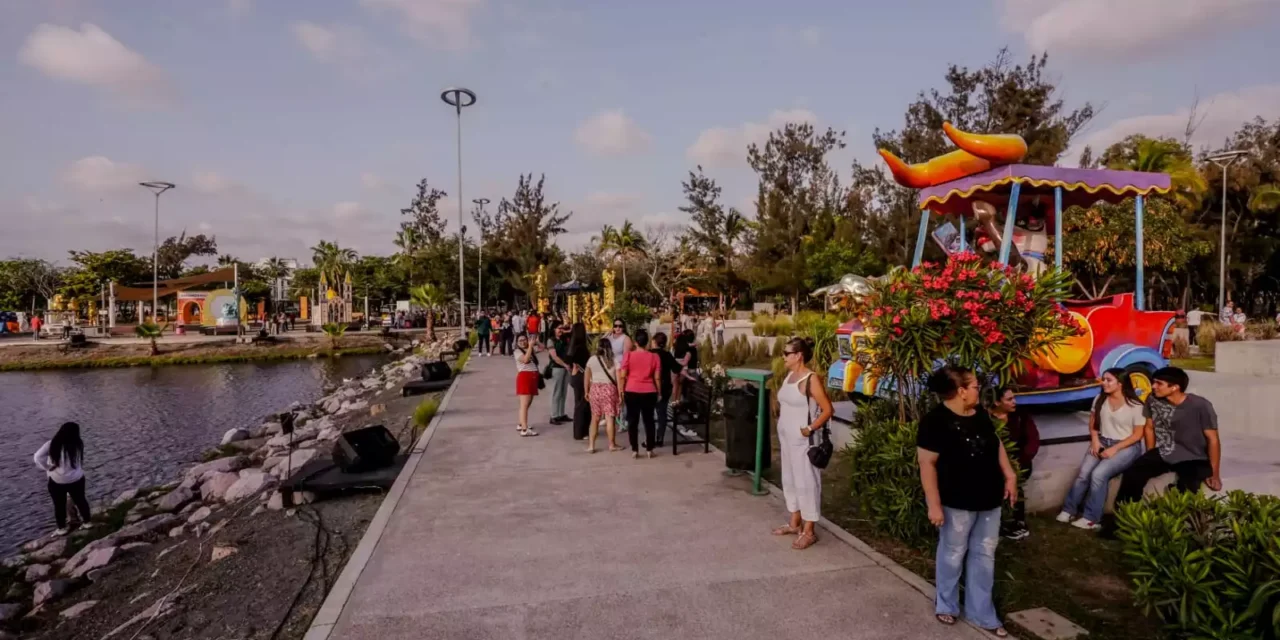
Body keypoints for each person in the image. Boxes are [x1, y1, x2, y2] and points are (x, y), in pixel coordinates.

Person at [917, 365, 1016, 636]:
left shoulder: (979, 414)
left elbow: (995, 443)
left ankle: (981, 612)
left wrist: (1009, 475)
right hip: (956, 500)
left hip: (989, 498)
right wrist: (933, 504)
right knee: (952, 552)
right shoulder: (935, 421)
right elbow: (927, 464)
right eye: (974, 386)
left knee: (985, 555)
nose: (977, 390)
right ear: (961, 391)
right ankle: (947, 605)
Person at [1108, 367, 1221, 533]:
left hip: (1194, 456)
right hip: (1166, 451)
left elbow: (1213, 439)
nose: (1153, 386)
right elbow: (1149, 427)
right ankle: (1125, 520)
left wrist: (1215, 473)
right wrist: (1150, 454)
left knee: (1188, 486)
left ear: (1174, 387)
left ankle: (1180, 530)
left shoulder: (1200, 406)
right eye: (1154, 382)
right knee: (1133, 473)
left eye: (1158, 383)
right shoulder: (1153, 399)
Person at [1056, 368, 1147, 531]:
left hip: (1127, 445)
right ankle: (1069, 510)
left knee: (1099, 474)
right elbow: (1093, 424)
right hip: (1103, 440)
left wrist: (1114, 449)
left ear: (1120, 383)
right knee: (1084, 474)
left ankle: (1091, 519)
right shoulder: (1100, 399)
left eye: (1108, 380)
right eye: (1103, 379)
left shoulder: (1136, 405)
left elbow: (1137, 435)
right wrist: (1095, 441)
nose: (1103, 383)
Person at [771, 337, 834, 551]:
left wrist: (810, 428)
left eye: (786, 353)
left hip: (803, 441)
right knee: (790, 480)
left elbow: (827, 410)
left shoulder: (810, 379)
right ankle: (794, 522)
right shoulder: (790, 376)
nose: (783, 356)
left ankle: (809, 531)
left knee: (807, 483)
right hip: (786, 440)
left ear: (798, 355)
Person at [987, 387, 1039, 541]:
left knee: (1015, 487)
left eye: (1013, 398)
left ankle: (1018, 523)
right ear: (997, 402)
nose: (1014, 402)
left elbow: (1033, 441)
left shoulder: (1021, 416)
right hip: (994, 464)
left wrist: (1018, 462)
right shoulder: (986, 418)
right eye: (1009, 399)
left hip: (1020, 464)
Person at [33, 422, 92, 536]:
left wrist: (47, 467)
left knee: (59, 505)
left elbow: (37, 457)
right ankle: (87, 522)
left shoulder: (52, 444)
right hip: (76, 478)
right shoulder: (78, 444)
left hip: (57, 480)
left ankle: (62, 528)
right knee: (81, 500)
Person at [617, 329, 662, 459]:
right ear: (647, 342)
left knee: (633, 421)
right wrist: (659, 392)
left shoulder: (628, 356)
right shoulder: (654, 357)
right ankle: (649, 449)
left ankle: (635, 449)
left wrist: (621, 390)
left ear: (635, 342)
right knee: (649, 421)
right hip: (649, 391)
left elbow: (623, 375)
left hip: (632, 390)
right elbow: (657, 377)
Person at [585, 339, 622, 453]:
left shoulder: (592, 359)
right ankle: (612, 444)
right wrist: (621, 393)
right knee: (609, 418)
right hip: (609, 389)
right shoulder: (614, 360)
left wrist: (586, 391)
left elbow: (587, 376)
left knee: (594, 418)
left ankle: (591, 445)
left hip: (595, 389)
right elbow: (619, 379)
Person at [650, 332, 683, 447]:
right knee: (661, 413)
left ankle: (650, 439)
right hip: (664, 388)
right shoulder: (667, 355)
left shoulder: (649, 354)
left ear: (654, 342)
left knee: (648, 414)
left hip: (649, 387)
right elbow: (677, 369)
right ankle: (660, 438)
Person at [512, 334, 543, 437]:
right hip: (525, 377)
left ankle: (521, 424)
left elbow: (543, 348)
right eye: (520, 340)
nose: (522, 342)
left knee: (527, 403)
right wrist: (530, 346)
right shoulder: (517, 352)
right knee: (524, 405)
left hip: (532, 377)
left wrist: (536, 342)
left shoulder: (530, 349)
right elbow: (525, 360)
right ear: (517, 342)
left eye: (524, 340)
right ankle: (524, 429)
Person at [567, 322, 591, 439]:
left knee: (579, 404)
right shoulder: (581, 348)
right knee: (583, 405)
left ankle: (579, 431)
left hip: (576, 376)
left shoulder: (572, 346)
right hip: (582, 376)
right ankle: (581, 431)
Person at [545, 324, 573, 424]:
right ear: (553, 329)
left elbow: (572, 330)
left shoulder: (564, 339)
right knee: (556, 392)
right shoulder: (551, 340)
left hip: (565, 367)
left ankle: (561, 413)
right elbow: (554, 357)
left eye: (562, 328)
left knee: (563, 391)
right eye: (559, 328)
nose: (561, 330)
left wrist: (566, 330)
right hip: (557, 367)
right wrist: (565, 365)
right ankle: (554, 415)